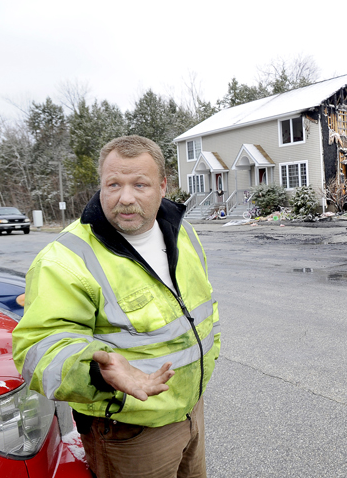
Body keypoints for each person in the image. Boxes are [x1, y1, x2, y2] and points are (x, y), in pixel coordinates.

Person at [12, 135, 220, 478]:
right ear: (101, 185)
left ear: (163, 186)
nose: (125, 198)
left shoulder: (183, 232)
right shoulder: (65, 259)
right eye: (114, 184)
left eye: (140, 184)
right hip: (130, 432)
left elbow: (204, 306)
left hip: (190, 411)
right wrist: (95, 372)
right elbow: (38, 349)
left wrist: (209, 360)